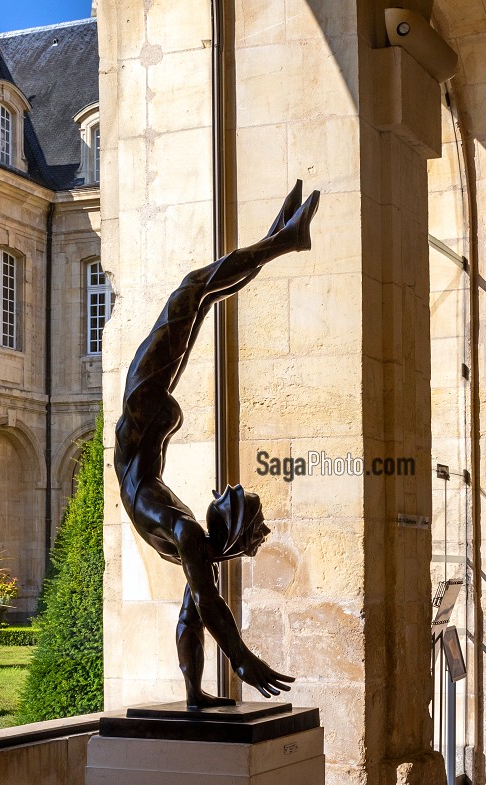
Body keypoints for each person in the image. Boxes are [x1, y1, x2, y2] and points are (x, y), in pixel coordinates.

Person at [114, 181, 319, 708]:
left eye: (237, 503)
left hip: (138, 422)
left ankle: (282, 241)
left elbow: (209, 604)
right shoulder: (193, 539)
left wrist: (243, 659)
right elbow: (193, 612)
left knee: (189, 292)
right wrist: (195, 693)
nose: (230, 490)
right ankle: (281, 239)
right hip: (146, 428)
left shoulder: (188, 532)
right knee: (198, 298)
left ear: (227, 529)